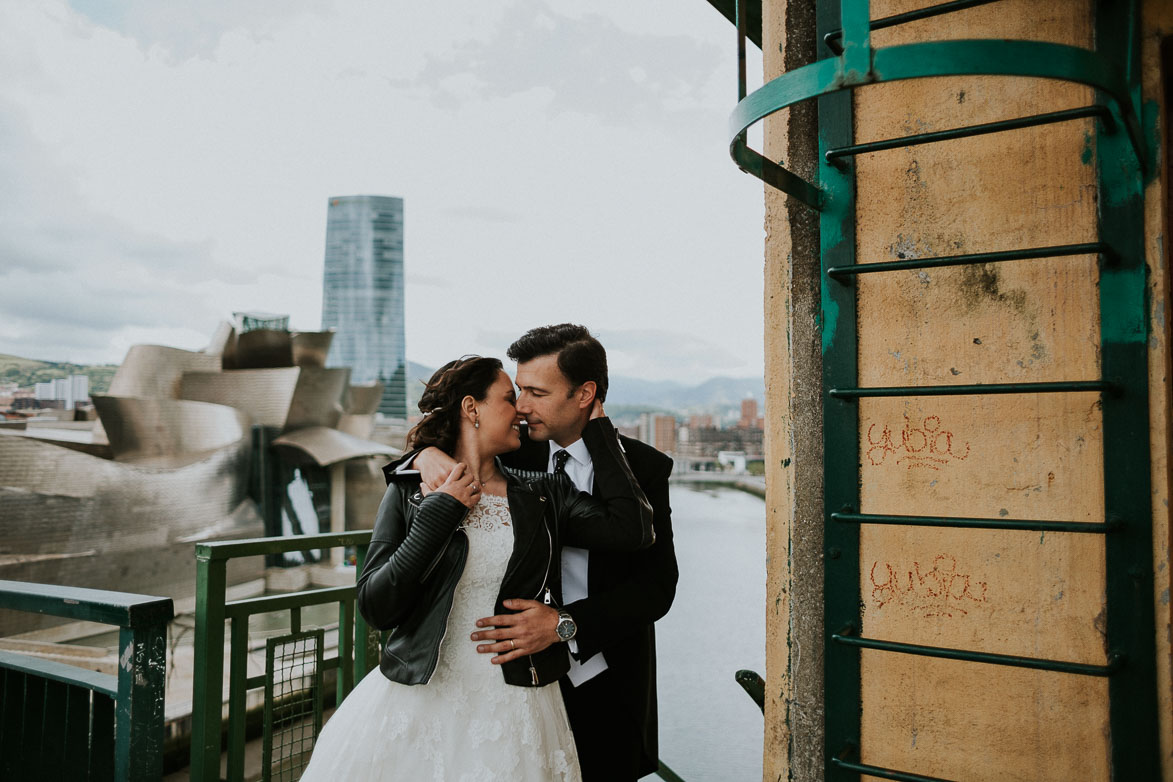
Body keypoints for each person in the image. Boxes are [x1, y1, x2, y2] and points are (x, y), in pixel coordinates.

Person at [299, 355, 653, 782]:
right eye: (508, 398)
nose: (520, 408)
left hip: (520, 704)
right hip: (421, 700)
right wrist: (439, 512)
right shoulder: (411, 490)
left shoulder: (543, 496)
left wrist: (599, 428)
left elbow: (631, 529)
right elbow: (377, 605)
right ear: (472, 409)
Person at [403, 325, 678, 782]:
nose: (521, 406)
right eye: (517, 390)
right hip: (510, 680)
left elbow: (657, 588)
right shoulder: (513, 452)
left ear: (585, 393)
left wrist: (564, 625)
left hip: (606, 682)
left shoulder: (646, 469)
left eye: (535, 391)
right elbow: (451, 448)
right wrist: (423, 454)